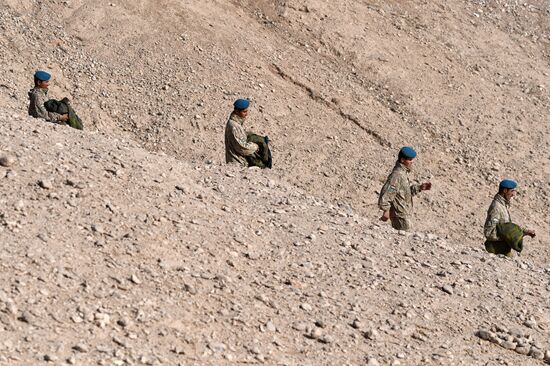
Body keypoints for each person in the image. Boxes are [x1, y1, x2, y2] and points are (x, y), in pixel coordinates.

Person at [378, 146, 432, 231]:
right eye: (410, 160)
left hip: (403, 214)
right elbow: (387, 193)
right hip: (399, 215)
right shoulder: (397, 175)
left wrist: (419, 188)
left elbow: (403, 192)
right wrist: (386, 211)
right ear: (402, 160)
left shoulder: (402, 173)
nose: (412, 162)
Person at [483, 179, 536, 256]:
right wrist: (508, 237)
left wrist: (524, 232)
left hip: (503, 249)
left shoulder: (503, 205)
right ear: (505, 190)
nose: (513, 194)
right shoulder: (496, 207)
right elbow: (489, 232)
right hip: (495, 250)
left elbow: (506, 227)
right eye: (511, 191)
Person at [225, 99, 271, 168]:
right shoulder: (234, 126)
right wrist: (256, 146)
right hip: (237, 163)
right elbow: (242, 147)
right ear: (237, 111)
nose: (246, 114)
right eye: (244, 112)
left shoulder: (236, 123)